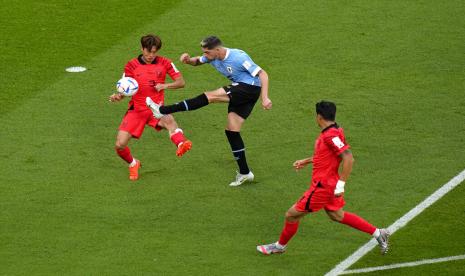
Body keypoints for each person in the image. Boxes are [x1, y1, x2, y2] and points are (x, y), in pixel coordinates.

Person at [256, 101, 390, 255]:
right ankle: (379, 234)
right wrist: (306, 161)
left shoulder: (330, 135)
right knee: (337, 215)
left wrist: (341, 185)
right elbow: (328, 154)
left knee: (291, 215)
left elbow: (348, 158)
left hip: (323, 187)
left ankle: (279, 247)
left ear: (319, 117)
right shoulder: (337, 130)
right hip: (330, 184)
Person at [146, 35, 272, 186]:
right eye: (204, 52)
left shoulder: (238, 57)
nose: (205, 55)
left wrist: (265, 98)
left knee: (210, 96)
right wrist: (188, 60)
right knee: (232, 131)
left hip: (250, 88)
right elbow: (198, 61)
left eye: (207, 52)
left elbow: (262, 74)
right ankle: (245, 173)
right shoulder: (213, 57)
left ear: (217, 50)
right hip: (242, 90)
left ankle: (162, 110)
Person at [110, 34, 192, 181]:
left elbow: (181, 82)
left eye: (154, 52)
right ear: (142, 48)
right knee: (120, 145)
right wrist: (118, 96)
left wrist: (164, 85)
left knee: (169, 120)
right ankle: (133, 163)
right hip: (136, 109)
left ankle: (181, 143)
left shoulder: (165, 63)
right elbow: (126, 88)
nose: (151, 55)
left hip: (156, 108)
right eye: (148, 52)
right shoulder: (131, 65)